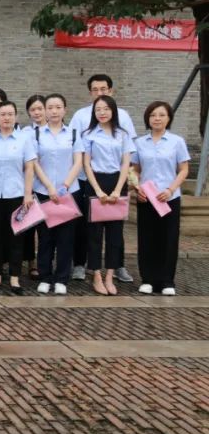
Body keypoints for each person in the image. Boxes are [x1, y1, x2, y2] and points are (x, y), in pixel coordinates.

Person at [68, 74, 138, 284]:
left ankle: (117, 267)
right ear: (90, 92)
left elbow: (128, 157)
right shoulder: (81, 117)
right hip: (87, 179)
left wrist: (126, 182)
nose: (99, 93)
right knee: (87, 227)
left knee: (116, 227)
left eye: (103, 89)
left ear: (111, 90)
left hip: (117, 180)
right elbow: (76, 147)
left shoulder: (123, 118)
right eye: (95, 89)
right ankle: (82, 264)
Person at [132, 101, 188, 296]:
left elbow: (184, 169)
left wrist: (171, 189)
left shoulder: (177, 141)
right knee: (147, 238)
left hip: (168, 198)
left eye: (161, 115)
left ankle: (167, 281)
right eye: (153, 115)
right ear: (147, 118)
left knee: (168, 239)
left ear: (169, 118)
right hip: (146, 198)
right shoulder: (139, 143)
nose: (157, 118)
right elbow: (135, 169)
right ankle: (147, 279)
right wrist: (137, 188)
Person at [0, 101, 37, 295]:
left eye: (10, 114)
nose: (7, 118)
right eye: (3, 114)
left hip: (16, 194)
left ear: (16, 116)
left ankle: (15, 277)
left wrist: (28, 193)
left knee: (16, 237)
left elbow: (29, 167)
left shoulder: (24, 139)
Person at [30, 93, 83, 295]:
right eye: (50, 107)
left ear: (65, 110)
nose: (54, 111)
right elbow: (34, 162)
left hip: (68, 192)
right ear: (45, 110)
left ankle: (62, 278)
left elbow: (78, 162)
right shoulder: (36, 134)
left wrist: (64, 186)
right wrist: (50, 187)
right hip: (43, 191)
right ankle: (45, 276)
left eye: (58, 107)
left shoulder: (73, 134)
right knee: (45, 237)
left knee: (66, 238)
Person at [82, 95, 135, 296]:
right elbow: (86, 163)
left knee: (115, 234)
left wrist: (118, 190)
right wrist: (97, 190)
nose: (102, 113)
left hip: (117, 182)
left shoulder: (122, 134)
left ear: (113, 110)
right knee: (94, 234)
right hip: (95, 182)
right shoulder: (88, 134)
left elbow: (126, 163)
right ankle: (96, 275)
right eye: (98, 110)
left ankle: (110, 275)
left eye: (106, 109)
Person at [21, 94, 47, 279]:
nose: (37, 112)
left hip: (50, 186)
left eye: (40, 108)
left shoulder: (56, 130)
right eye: (33, 110)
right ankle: (31, 262)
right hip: (31, 185)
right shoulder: (25, 132)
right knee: (29, 227)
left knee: (45, 228)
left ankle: (45, 262)